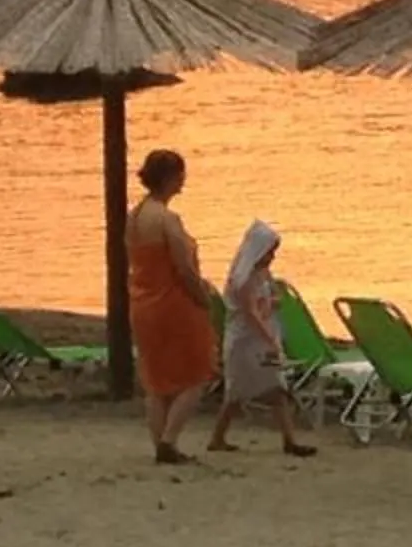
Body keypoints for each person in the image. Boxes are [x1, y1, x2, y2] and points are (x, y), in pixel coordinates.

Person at [125, 149, 218, 465]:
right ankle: (169, 440)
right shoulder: (167, 219)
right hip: (172, 303)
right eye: (180, 175)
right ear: (169, 178)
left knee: (156, 379)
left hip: (143, 302)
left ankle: (160, 443)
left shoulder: (135, 216)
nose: (183, 181)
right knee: (197, 373)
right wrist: (202, 299)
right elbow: (184, 269)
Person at [207, 221, 315, 459]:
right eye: (270, 252)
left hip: (259, 338)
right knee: (235, 393)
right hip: (245, 342)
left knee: (277, 388)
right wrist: (271, 340)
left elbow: (271, 298)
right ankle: (217, 438)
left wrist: (272, 304)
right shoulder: (242, 278)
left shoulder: (261, 273)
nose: (272, 257)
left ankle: (289, 440)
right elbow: (250, 313)